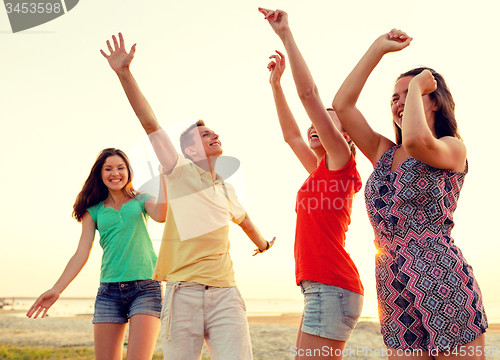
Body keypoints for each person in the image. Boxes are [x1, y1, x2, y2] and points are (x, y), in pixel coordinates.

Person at [101, 33, 275, 360]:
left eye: (214, 132)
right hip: (184, 294)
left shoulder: (227, 188)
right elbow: (149, 121)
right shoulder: (178, 171)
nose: (214, 135)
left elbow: (246, 222)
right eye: (205, 134)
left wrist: (264, 244)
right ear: (189, 149)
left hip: (226, 292)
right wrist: (124, 73)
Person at [332, 29, 488, 358]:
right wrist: (378, 48)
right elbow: (342, 105)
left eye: (410, 94)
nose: (400, 102)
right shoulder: (383, 153)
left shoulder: (452, 148)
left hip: (442, 279)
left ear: (435, 101)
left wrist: (418, 85)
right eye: (395, 97)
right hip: (393, 286)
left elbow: (418, 142)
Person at [259, 8, 364, 359]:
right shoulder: (319, 170)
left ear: (344, 137)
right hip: (320, 288)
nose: (314, 125)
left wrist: (286, 35)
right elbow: (291, 135)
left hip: (332, 286)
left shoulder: (340, 163)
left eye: (327, 122)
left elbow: (309, 96)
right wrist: (275, 85)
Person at [26, 148, 168, 360]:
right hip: (109, 292)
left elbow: (161, 215)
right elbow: (81, 253)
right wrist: (57, 289)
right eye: (108, 168)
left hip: (146, 288)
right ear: (100, 174)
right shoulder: (93, 210)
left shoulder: (142, 199)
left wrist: (165, 177)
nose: (115, 173)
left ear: (128, 171)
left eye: (120, 168)